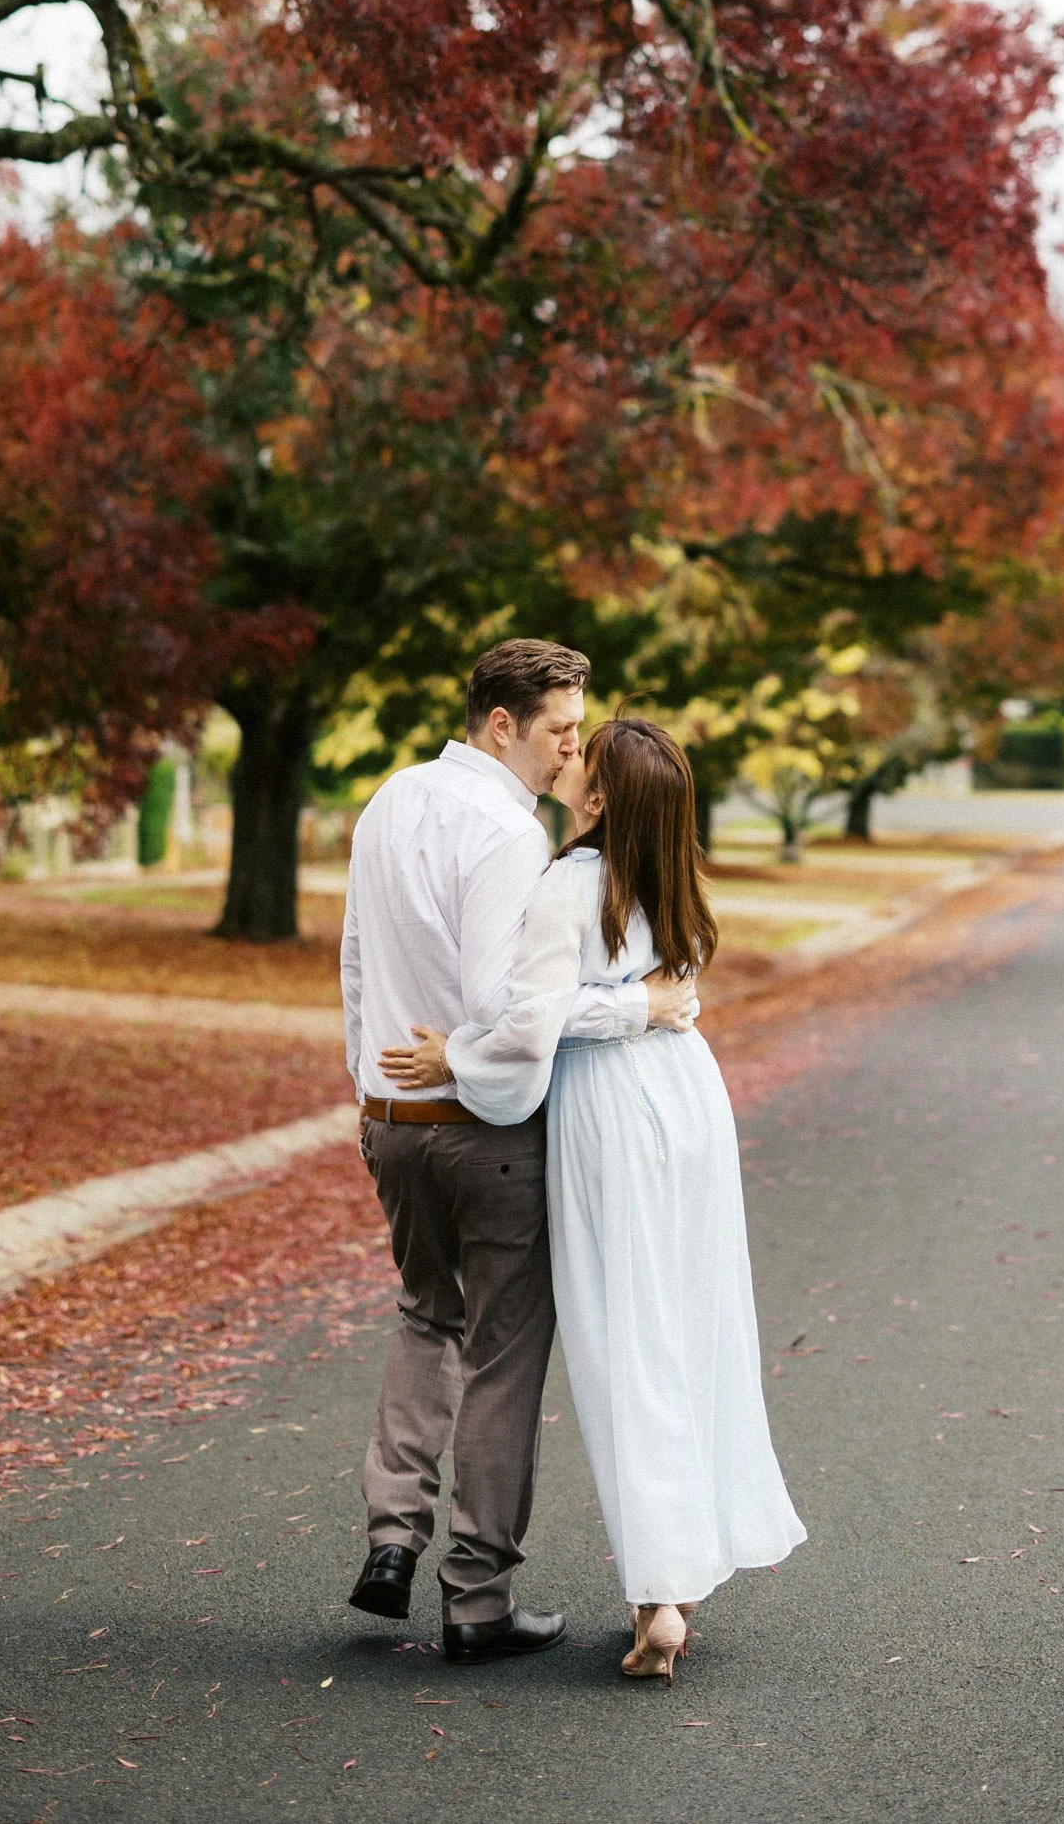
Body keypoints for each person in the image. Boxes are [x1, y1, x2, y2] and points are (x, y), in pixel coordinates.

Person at [380, 715, 806, 1683]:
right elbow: (663, 995)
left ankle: (658, 1593)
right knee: (693, 1321)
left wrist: (457, 1053)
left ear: (603, 798)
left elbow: (527, 1026)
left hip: (611, 1112)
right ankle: (686, 1567)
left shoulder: (567, 885)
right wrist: (640, 1004)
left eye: (586, 757)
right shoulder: (679, 885)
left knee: (629, 1340)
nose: (567, 759)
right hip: (688, 1100)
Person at [341, 640, 696, 1666]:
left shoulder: (391, 799)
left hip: (391, 1121)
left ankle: (390, 1538)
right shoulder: (506, 831)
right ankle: (476, 1596)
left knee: (423, 1314)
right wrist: (641, 1005)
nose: (566, 753)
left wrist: (365, 1081)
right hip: (483, 1128)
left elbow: (357, 956)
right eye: (557, 733)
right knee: (501, 1355)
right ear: (501, 725)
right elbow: (515, 1012)